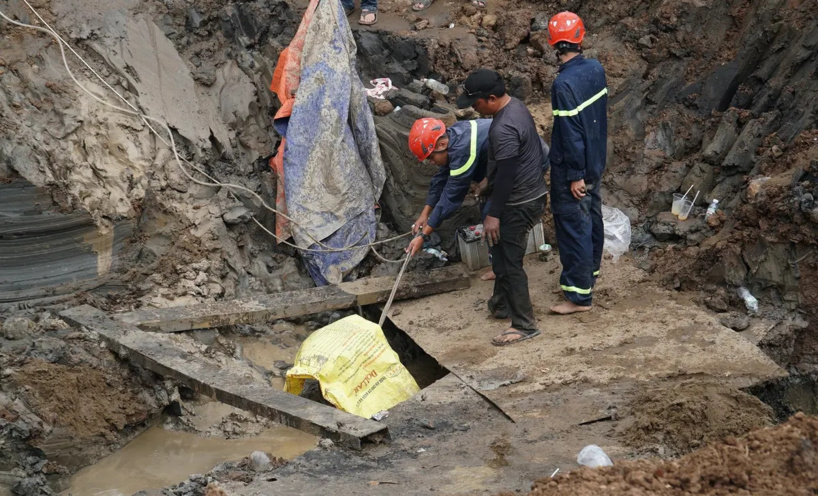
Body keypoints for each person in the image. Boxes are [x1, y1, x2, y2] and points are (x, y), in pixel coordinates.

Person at [456, 69, 548, 347]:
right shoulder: (516, 107)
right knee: (503, 251)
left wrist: (493, 215)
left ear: (492, 98)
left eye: (476, 104)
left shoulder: (503, 128)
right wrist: (486, 181)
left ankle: (523, 324)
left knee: (508, 262)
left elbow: (508, 174)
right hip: (531, 194)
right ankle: (500, 304)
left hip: (519, 201)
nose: (474, 109)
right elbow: (508, 163)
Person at [545, 12, 608, 315]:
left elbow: (570, 134)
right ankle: (589, 276)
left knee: (573, 227)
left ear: (553, 44)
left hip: (574, 168)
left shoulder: (563, 85)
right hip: (594, 161)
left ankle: (578, 296)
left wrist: (573, 175)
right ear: (581, 37)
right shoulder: (595, 69)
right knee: (592, 218)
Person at [405, 117, 492, 258]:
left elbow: (452, 196)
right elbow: (440, 179)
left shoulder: (462, 150)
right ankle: (499, 264)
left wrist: (423, 236)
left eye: (431, 157)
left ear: (442, 144)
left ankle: (504, 268)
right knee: (487, 207)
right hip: (499, 164)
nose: (432, 162)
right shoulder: (453, 138)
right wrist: (425, 214)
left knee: (491, 213)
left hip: (522, 165)